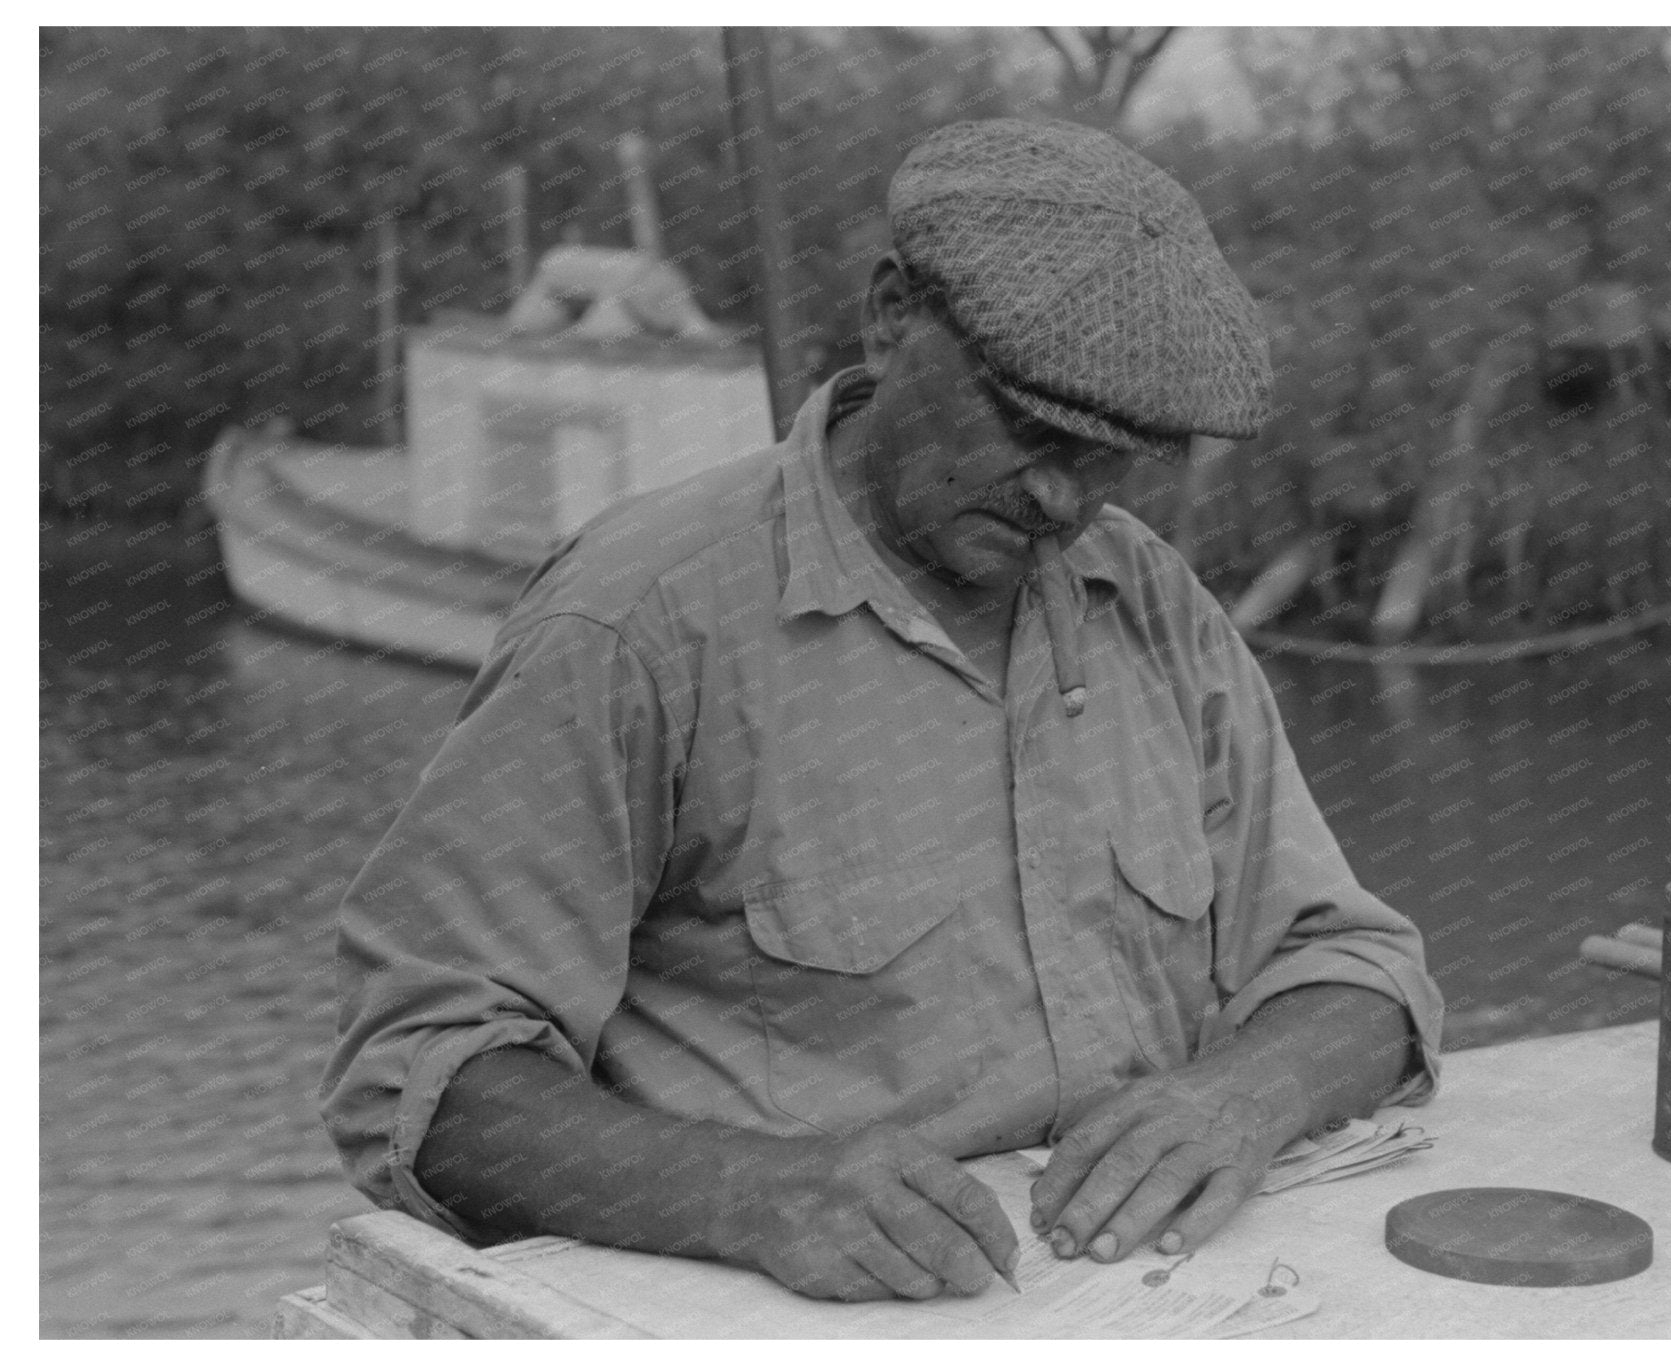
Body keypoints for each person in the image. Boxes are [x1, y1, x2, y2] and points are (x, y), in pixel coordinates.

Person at [321, 118, 1444, 1304]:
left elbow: (1356, 969)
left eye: (1114, 456)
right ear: (893, 314)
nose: (1065, 497)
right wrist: (742, 1192)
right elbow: (417, 1075)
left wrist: (1241, 1096)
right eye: (1029, 425)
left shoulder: (1153, 606)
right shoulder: (637, 621)